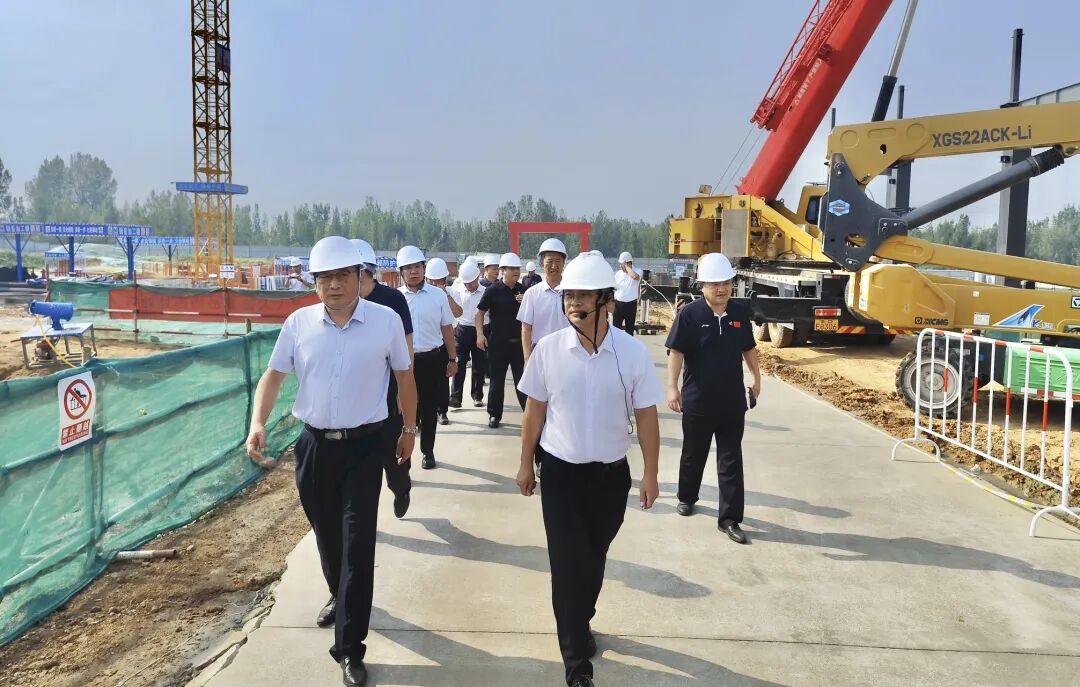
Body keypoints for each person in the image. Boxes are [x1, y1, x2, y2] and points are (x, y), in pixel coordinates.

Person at [246, 235, 416, 687]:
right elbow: (273, 376)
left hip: (365, 448)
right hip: (315, 448)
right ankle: (338, 596)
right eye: (325, 277)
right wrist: (257, 423)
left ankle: (350, 648)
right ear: (314, 281)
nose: (335, 285)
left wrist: (409, 430)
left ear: (360, 277)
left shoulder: (385, 321)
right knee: (328, 537)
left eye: (343, 275)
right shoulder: (298, 323)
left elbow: (405, 377)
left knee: (358, 546)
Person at [516, 250, 663, 687]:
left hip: (610, 479)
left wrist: (650, 473)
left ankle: (581, 619)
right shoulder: (548, 350)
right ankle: (577, 665)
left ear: (607, 301)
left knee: (593, 560)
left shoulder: (631, 353)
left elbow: (647, 417)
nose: (573, 303)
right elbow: (534, 413)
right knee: (566, 568)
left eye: (583, 295)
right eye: (569, 296)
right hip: (560, 475)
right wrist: (525, 464)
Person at [665, 252, 761, 544]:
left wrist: (756, 379)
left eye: (726, 283)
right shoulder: (689, 315)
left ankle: (730, 519)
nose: (722, 289)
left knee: (731, 460)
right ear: (702, 286)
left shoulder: (739, 314)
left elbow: (748, 348)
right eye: (715, 284)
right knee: (694, 453)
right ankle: (687, 496)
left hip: (732, 401)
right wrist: (672, 388)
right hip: (698, 400)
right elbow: (676, 352)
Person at [351, 238, 414, 522]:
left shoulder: (393, 300)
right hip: (354, 397)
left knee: (393, 457)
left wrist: (404, 389)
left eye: (346, 273)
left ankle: (401, 488)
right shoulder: (340, 303)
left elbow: (407, 345)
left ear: (364, 272)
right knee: (359, 467)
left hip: (388, 392)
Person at [398, 245, 458, 469]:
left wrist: (452, 359)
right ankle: (403, 453)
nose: (413, 271)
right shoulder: (396, 298)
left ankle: (427, 451)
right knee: (404, 408)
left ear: (424, 269)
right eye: (408, 268)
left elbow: (447, 328)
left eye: (417, 266)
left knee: (429, 408)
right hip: (403, 363)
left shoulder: (438, 295)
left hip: (432, 360)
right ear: (401, 272)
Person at [475, 252, 526, 429]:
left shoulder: (524, 290)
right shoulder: (492, 291)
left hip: (519, 344)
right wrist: (480, 334)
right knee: (497, 381)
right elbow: (479, 313)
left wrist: (526, 301)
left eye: (517, 268)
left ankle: (529, 413)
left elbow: (534, 315)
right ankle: (494, 414)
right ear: (502, 270)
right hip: (498, 344)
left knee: (523, 381)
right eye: (512, 268)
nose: (516, 271)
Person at [518, 237, 570, 363]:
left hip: (568, 352)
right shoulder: (532, 294)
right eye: (549, 261)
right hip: (540, 354)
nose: (554, 266)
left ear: (564, 263)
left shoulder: (573, 292)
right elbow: (526, 328)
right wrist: (527, 358)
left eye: (558, 261)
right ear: (541, 263)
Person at [448, 259, 487, 409]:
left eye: (471, 283)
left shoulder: (485, 292)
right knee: (459, 364)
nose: (468, 286)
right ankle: (455, 397)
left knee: (478, 365)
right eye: (466, 283)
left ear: (477, 277)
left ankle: (477, 396)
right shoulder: (457, 291)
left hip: (480, 331)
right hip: (462, 330)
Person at [426, 257, 460, 426]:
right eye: (432, 281)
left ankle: (442, 411)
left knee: (442, 380)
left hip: (444, 342)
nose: (435, 284)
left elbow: (458, 313)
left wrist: (445, 295)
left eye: (439, 280)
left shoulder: (452, 293)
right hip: (426, 343)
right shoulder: (423, 294)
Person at [612, 251, 641, 335]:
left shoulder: (638, 271)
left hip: (631, 305)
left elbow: (635, 277)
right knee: (616, 330)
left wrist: (626, 266)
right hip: (618, 305)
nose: (620, 266)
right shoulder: (618, 274)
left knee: (629, 330)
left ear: (627, 263)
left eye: (621, 264)